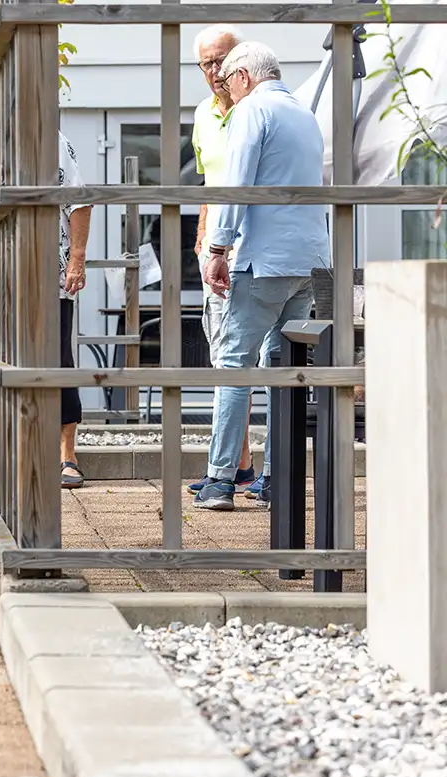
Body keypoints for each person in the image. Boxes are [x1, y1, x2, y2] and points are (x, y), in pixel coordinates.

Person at [194, 41, 328, 511]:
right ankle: (275, 478)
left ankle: (219, 480)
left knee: (233, 365)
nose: (225, 91)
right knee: (280, 371)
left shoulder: (254, 111)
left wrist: (216, 248)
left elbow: (237, 186)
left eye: (227, 81)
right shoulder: (305, 115)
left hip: (262, 261)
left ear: (245, 77)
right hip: (309, 261)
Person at [0, 99, 92, 488]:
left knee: (56, 358)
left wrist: (77, 259)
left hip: (46, 269)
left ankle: (66, 453)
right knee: (1, 360)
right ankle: (14, 451)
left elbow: (80, 200)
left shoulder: (50, 141)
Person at [186, 24, 259, 500]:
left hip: (257, 252)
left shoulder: (259, 110)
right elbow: (209, 186)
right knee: (224, 360)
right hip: (214, 253)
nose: (215, 72)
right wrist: (202, 239)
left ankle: (235, 473)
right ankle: (244, 467)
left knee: (253, 362)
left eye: (222, 61)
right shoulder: (201, 115)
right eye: (207, 63)